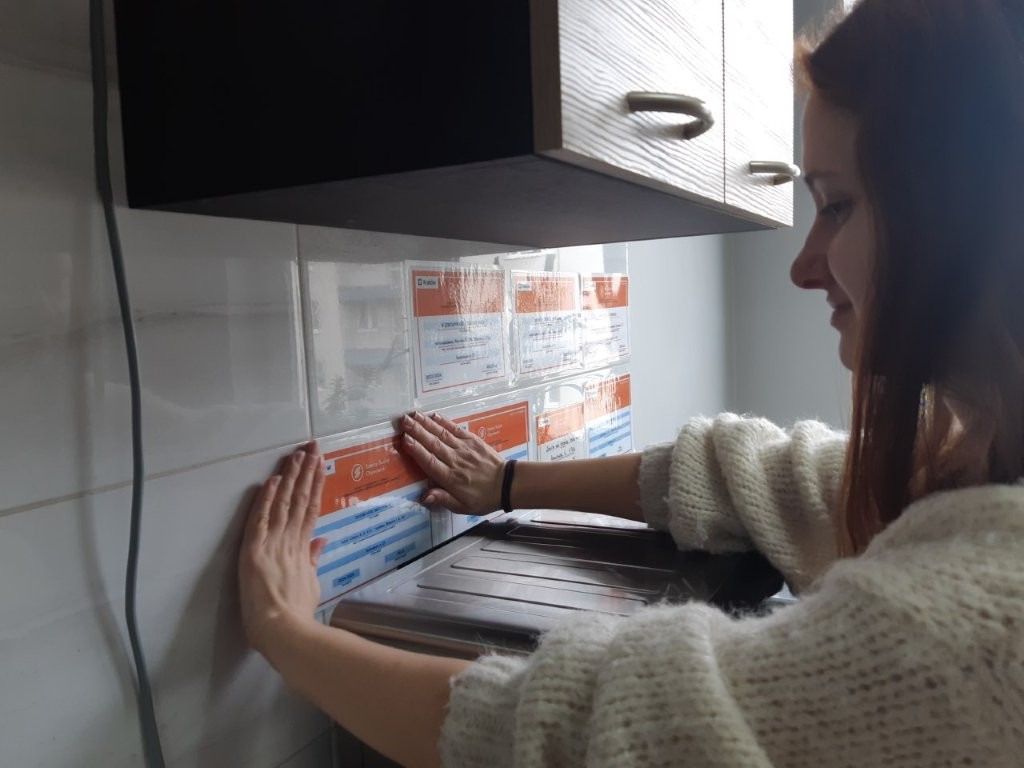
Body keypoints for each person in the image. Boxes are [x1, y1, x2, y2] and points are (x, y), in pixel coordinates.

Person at [237, 0, 1024, 765]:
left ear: (963, 207)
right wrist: (506, 482)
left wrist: (283, 629)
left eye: (838, 206)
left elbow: (592, 733)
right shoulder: (974, 452)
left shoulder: (973, 629)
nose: (803, 266)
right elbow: (761, 478)